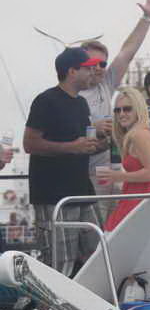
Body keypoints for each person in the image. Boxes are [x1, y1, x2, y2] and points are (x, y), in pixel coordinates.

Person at [23, 47, 105, 275]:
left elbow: (81, 144)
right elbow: (29, 144)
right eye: (88, 68)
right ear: (71, 71)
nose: (93, 72)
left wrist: (106, 141)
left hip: (82, 191)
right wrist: (72, 147)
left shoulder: (81, 103)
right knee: (59, 263)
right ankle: (49, 299)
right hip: (53, 195)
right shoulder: (46, 101)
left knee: (98, 253)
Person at [79, 0, 150, 193]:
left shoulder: (105, 84)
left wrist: (146, 18)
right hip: (73, 171)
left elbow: (127, 52)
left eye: (103, 63)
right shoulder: (69, 93)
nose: (99, 68)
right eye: (93, 63)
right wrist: (92, 127)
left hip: (102, 172)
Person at [103, 88, 150, 232]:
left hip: (140, 204)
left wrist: (118, 176)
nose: (121, 114)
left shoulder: (138, 135)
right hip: (143, 203)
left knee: (111, 241)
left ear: (138, 109)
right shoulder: (144, 133)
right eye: (117, 110)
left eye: (127, 109)